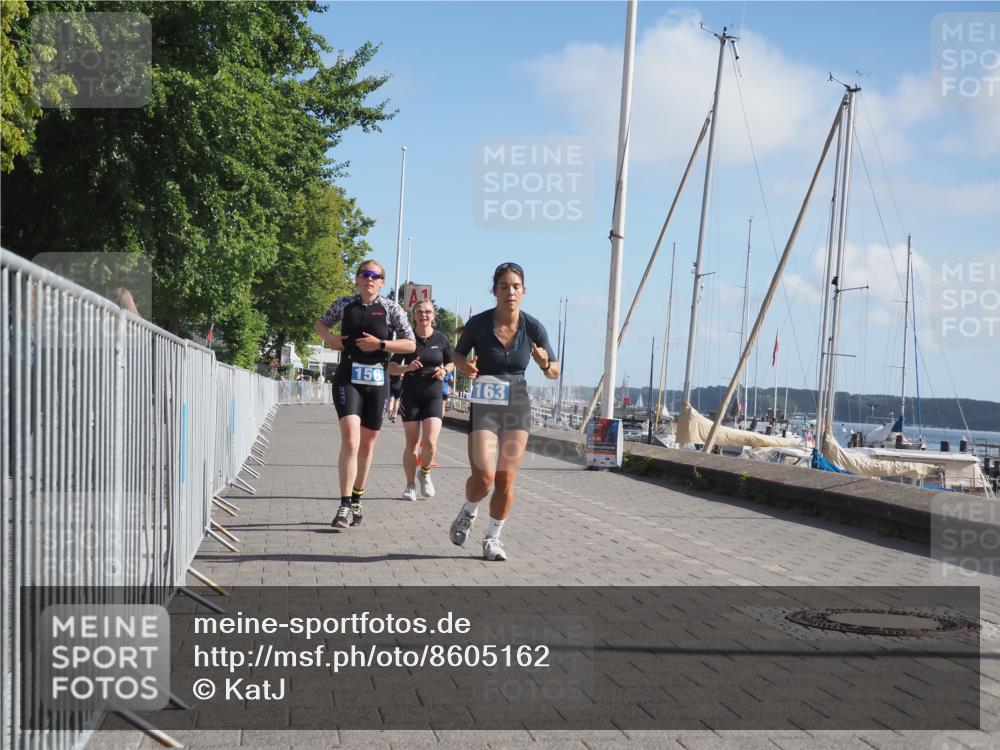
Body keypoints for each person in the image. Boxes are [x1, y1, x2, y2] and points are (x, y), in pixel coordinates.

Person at [449, 262, 559, 561]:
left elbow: (554, 373)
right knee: (484, 476)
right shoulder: (479, 324)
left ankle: (492, 538)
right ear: (494, 291)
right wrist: (465, 367)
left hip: (516, 403)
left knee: (506, 479)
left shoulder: (533, 327)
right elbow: (458, 355)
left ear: (523, 291)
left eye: (515, 286)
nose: (510, 291)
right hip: (485, 401)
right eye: (504, 286)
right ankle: (468, 512)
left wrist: (544, 363)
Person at [314, 259, 415, 529]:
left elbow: (409, 343)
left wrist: (380, 344)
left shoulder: (391, 308)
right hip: (348, 376)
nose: (369, 279)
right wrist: (332, 340)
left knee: (367, 445)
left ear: (382, 282)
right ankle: (344, 504)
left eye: (375, 276)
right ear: (357, 279)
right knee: (350, 440)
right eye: (364, 274)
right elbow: (320, 325)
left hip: (378, 379)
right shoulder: (344, 304)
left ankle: (358, 498)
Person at [388, 300, 454, 501]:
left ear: (433, 315)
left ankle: (424, 472)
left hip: (433, 395)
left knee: (431, 443)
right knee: (412, 443)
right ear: (413, 315)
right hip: (411, 395)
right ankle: (409, 485)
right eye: (420, 312)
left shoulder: (442, 339)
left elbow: (451, 363)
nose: (424, 315)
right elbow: (391, 367)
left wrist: (444, 370)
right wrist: (407, 368)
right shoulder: (407, 340)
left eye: (428, 312)